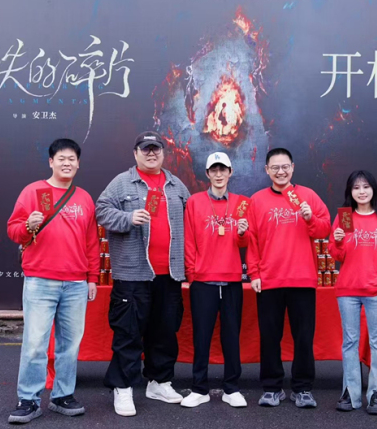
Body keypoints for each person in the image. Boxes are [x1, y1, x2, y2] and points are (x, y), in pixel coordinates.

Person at [96, 131, 191, 417]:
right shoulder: (122, 182)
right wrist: (127, 218)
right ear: (135, 153)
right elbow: (101, 211)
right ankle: (123, 387)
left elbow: (193, 219)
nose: (151, 153)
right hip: (133, 275)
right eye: (145, 149)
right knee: (128, 333)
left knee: (165, 330)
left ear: (163, 153)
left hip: (169, 274)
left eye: (156, 149)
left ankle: (159, 382)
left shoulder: (176, 185)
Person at [6, 138, 99, 424]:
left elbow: (92, 242)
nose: (67, 163)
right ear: (51, 162)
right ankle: (28, 400)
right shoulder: (33, 191)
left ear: (78, 163)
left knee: (69, 344)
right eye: (61, 158)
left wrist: (92, 278)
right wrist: (28, 225)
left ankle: (62, 396)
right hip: (40, 280)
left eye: (72, 158)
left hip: (76, 283)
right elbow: (13, 230)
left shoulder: (84, 198)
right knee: (35, 343)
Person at [246, 147, 331, 408]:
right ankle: (272, 387)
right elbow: (251, 240)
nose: (281, 171)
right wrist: (254, 273)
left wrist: (310, 218)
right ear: (267, 170)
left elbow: (325, 229)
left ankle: (302, 388)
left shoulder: (308, 196)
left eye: (285, 167)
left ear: (292, 168)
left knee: (304, 337)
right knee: (269, 336)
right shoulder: (257, 200)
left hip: (302, 278)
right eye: (275, 167)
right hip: (269, 279)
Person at [331, 170, 377, 415]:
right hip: (348, 289)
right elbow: (337, 255)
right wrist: (338, 240)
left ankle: (376, 395)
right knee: (350, 342)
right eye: (356, 187)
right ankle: (350, 393)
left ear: (373, 189)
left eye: (365, 186)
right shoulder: (345, 217)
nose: (361, 192)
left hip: (376, 289)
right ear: (349, 192)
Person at [181, 152, 250, 408]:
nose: (219, 174)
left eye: (223, 170)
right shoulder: (195, 202)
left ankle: (232, 388)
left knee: (231, 336)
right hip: (203, 280)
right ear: (207, 174)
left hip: (232, 279)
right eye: (214, 170)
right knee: (201, 336)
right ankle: (199, 388)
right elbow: (189, 240)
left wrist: (242, 234)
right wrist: (192, 274)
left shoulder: (242, 203)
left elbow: (245, 242)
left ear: (230, 172)